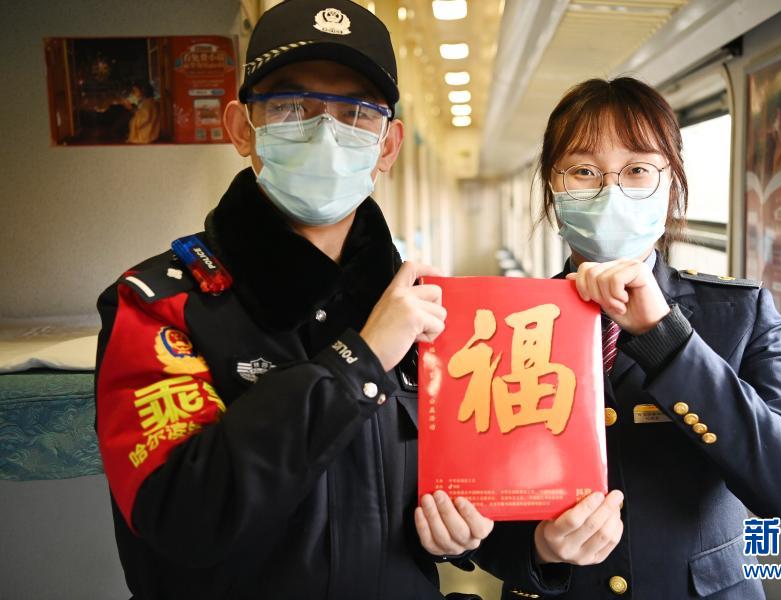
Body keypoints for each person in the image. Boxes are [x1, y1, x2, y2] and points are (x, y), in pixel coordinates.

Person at [94, 1, 493, 598]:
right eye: (290, 106)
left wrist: (461, 534)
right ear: (241, 128)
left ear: (387, 146)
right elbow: (179, 516)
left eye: (356, 113)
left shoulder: (428, 310)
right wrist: (358, 363)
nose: (325, 132)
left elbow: (460, 487)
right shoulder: (160, 305)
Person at [470, 77, 781, 599]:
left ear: (670, 184)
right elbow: (469, 505)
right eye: (584, 171)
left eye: (638, 169)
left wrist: (668, 340)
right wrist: (538, 551)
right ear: (552, 187)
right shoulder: (502, 326)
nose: (611, 191)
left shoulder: (739, 313)